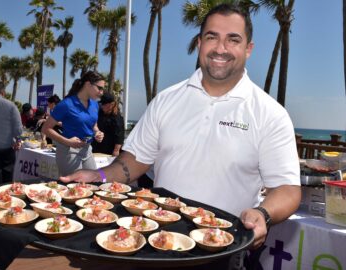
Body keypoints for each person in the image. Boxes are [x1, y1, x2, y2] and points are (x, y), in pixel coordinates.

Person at [60, 4, 301, 267]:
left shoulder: (269, 113)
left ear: (248, 49)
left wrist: (262, 213)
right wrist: (100, 176)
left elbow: (287, 189)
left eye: (233, 39)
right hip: (155, 244)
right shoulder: (166, 100)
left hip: (223, 251)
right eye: (212, 37)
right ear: (199, 43)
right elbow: (134, 161)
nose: (221, 48)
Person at [42, 71, 105, 176]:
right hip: (68, 150)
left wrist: (98, 132)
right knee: (75, 188)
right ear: (88, 84)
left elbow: (93, 125)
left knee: (94, 182)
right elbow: (45, 129)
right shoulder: (66, 104)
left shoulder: (95, 105)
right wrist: (67, 142)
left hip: (87, 149)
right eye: (100, 88)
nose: (102, 92)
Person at [0, 80, 23, 186]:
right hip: (7, 149)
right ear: (3, 92)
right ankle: (6, 200)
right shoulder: (11, 106)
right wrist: (18, 139)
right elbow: (18, 130)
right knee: (7, 180)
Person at [92, 92, 125, 156]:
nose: (102, 106)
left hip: (109, 151)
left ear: (111, 104)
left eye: (104, 104)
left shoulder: (117, 117)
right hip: (96, 148)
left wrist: (116, 151)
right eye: (102, 104)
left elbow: (119, 136)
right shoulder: (100, 112)